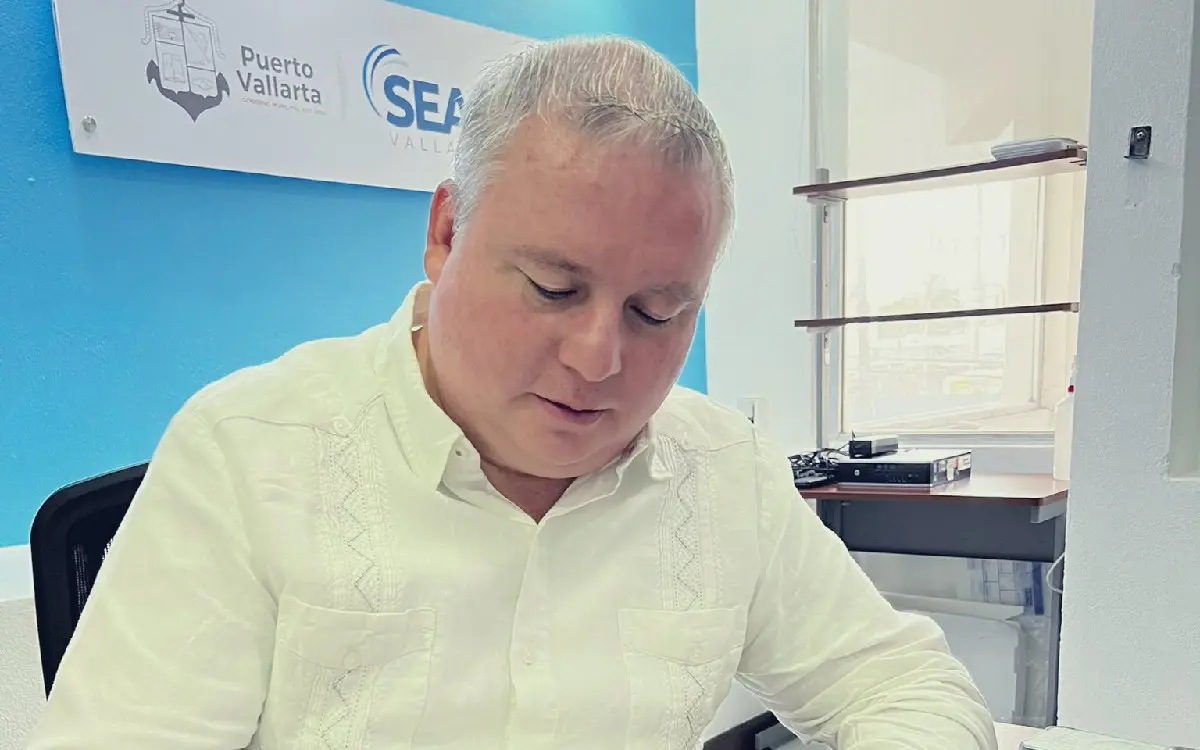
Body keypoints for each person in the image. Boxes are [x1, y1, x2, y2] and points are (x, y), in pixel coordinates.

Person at [27, 35, 997, 750]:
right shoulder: (249, 454)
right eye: (552, 289)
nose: (599, 359)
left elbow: (900, 682)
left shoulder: (722, 471)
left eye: (657, 312)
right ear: (447, 233)